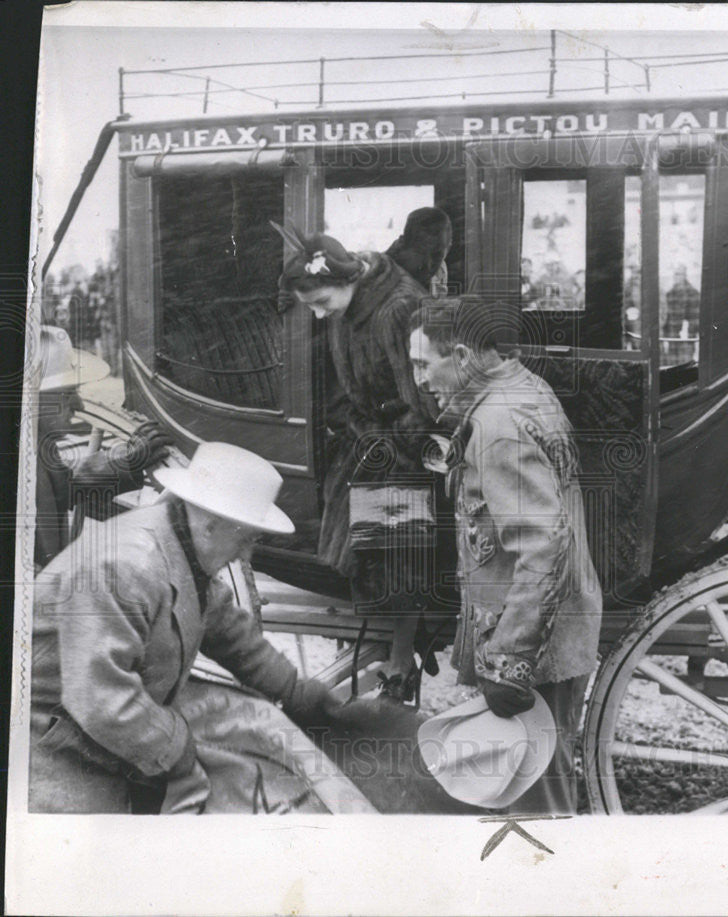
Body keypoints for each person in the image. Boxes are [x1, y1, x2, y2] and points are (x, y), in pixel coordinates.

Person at [30, 441, 346, 814]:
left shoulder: (181, 541)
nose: (246, 554)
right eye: (246, 539)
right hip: (53, 732)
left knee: (256, 737)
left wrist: (293, 689)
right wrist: (176, 750)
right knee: (98, 848)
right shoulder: (126, 566)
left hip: (127, 703)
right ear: (211, 525)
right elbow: (100, 701)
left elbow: (228, 631)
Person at [408, 297, 602, 814]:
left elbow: (542, 544)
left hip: (533, 642)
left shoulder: (499, 424)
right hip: (550, 627)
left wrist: (511, 662)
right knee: (535, 783)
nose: (421, 381)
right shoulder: (523, 391)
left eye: (424, 364)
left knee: (534, 800)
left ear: (466, 356)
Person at [275, 222, 441, 702]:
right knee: (356, 531)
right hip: (372, 435)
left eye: (322, 303)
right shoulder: (347, 307)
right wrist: (363, 432)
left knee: (397, 542)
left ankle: (402, 653)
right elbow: (344, 390)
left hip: (410, 442)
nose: (321, 315)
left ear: (348, 280)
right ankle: (393, 640)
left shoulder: (398, 309)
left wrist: (384, 442)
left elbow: (424, 401)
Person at [34, 325, 172, 570]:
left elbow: (63, 485)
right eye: (67, 394)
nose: (78, 405)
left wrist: (128, 460)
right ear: (31, 397)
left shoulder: (36, 448)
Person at [384, 206, 452, 295]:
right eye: (422, 253)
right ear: (403, 245)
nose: (428, 265)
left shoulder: (440, 271)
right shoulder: (380, 275)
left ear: (448, 249)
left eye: (437, 255)